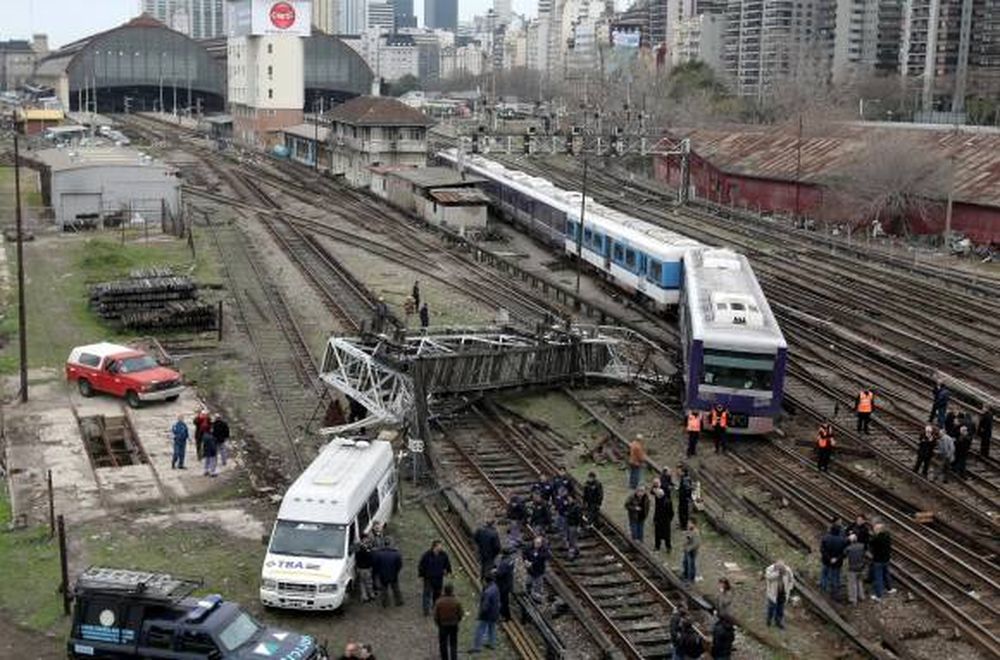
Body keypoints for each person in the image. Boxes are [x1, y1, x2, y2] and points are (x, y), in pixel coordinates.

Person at [418, 540, 452, 616]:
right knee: (427, 594)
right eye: (439, 546)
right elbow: (421, 565)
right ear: (435, 546)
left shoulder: (443, 555)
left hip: (439, 578)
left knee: (437, 594)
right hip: (428, 578)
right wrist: (421, 575)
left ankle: (435, 608)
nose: (441, 547)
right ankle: (426, 610)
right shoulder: (427, 555)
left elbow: (447, 564)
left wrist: (448, 571)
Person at [471, 573, 501, 653]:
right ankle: (492, 644)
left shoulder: (488, 592)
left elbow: (485, 606)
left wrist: (480, 614)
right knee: (492, 628)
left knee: (480, 630)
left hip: (487, 614)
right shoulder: (495, 587)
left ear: (486, 581)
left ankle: (477, 647)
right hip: (495, 612)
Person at [432, 583, 462, 660]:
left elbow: (435, 615)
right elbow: (460, 613)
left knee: (443, 644)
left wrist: (438, 623)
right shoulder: (456, 601)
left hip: (443, 625)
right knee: (453, 643)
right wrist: (457, 620)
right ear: (452, 591)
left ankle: (444, 658)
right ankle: (454, 657)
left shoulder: (439, 602)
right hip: (453, 624)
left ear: (444, 591)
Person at [819, 521, 847, 599]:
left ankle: (823, 588)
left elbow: (822, 550)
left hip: (826, 561)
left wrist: (829, 558)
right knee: (835, 576)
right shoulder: (842, 541)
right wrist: (836, 559)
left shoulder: (825, 538)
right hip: (837, 563)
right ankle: (834, 592)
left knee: (824, 574)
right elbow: (844, 553)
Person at [372, 540, 404, 607]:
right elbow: (399, 565)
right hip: (393, 574)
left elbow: (376, 565)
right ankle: (399, 601)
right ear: (391, 544)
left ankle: (385, 603)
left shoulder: (379, 554)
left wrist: (378, 572)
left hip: (382, 575)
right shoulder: (396, 554)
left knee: (384, 590)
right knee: (396, 588)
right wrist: (396, 571)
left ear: (384, 544)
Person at [869, 523, 896, 600]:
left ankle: (878, 595)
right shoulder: (887, 536)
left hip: (878, 560)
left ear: (879, 530)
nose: (874, 530)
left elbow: (871, 546)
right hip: (886, 559)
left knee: (878, 578)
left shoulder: (876, 539)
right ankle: (889, 588)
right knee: (886, 574)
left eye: (875, 529)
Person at [764, 560, 794, 629]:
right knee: (771, 608)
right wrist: (778, 573)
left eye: (782, 568)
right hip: (773, 593)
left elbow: (791, 579)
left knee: (780, 609)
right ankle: (769, 621)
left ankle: (778, 622)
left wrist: (789, 588)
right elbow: (768, 577)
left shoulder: (787, 570)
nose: (782, 570)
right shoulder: (770, 569)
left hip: (782, 593)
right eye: (780, 568)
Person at [522, 536, 550, 601]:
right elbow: (524, 553)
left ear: (541, 544)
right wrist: (525, 560)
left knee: (538, 584)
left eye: (538, 543)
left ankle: (537, 597)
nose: (536, 545)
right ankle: (527, 592)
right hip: (530, 570)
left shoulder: (544, 550)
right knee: (528, 582)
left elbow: (542, 558)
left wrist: (532, 563)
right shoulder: (529, 547)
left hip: (539, 570)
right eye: (536, 543)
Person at [843, 533, 866, 605]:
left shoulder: (848, 548)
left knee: (852, 584)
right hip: (861, 567)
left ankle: (853, 599)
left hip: (852, 568)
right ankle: (862, 596)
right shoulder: (862, 546)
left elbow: (844, 554)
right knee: (859, 582)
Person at [652, 478, 674, 552]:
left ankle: (668, 547)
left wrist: (669, 519)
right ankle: (657, 546)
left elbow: (671, 512)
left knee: (667, 535)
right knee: (657, 534)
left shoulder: (667, 502)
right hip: (659, 519)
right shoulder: (661, 500)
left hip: (665, 520)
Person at [495, 546, 516, 621]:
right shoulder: (511, 560)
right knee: (505, 600)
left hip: (502, 584)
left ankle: (504, 615)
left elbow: (500, 574)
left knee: (502, 600)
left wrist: (495, 571)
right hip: (508, 582)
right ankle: (507, 616)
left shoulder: (504, 563)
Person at [353, 534, 375, 603]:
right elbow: (370, 557)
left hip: (360, 568)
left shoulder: (357, 548)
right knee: (369, 582)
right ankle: (371, 595)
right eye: (366, 538)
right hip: (366, 568)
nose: (368, 540)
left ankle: (364, 596)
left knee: (362, 583)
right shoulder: (365, 549)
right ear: (363, 539)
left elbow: (356, 558)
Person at [563, 494, 582, 560]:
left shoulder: (577, 507)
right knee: (570, 539)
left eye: (570, 498)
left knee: (572, 541)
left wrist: (579, 526)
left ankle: (572, 554)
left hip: (574, 525)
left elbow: (579, 517)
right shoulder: (569, 506)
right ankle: (576, 552)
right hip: (569, 524)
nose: (568, 500)